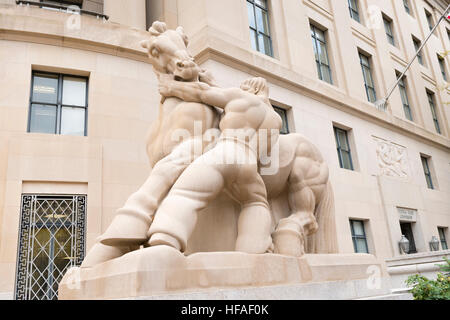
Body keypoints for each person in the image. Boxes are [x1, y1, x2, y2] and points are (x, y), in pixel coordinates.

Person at [147, 77, 282, 254]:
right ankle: (254, 249)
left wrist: (171, 87)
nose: (239, 87)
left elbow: (201, 93)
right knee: (256, 202)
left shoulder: (240, 97)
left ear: (252, 89)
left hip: (226, 151)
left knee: (186, 193)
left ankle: (165, 236)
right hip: (249, 163)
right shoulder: (275, 119)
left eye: (243, 85)